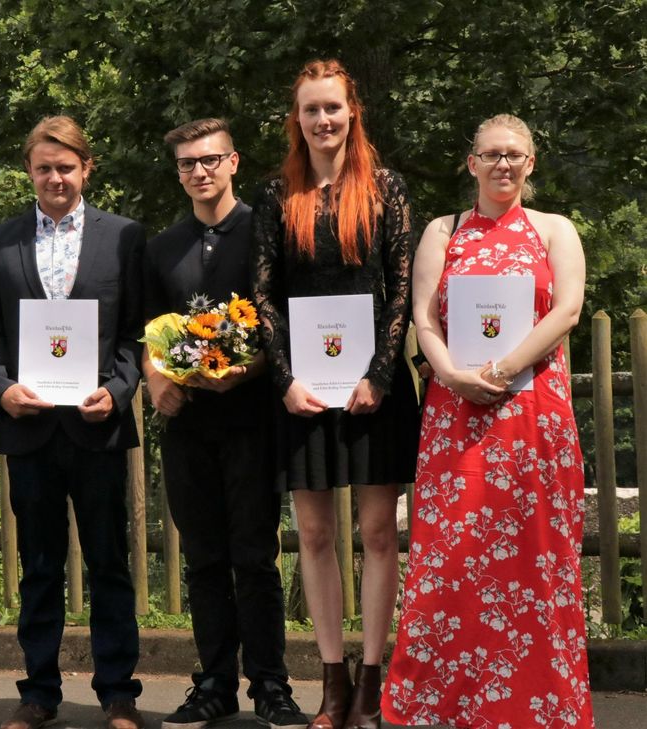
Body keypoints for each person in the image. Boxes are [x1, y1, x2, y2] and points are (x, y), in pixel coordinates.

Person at [383, 114, 594, 728]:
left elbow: (568, 309)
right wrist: (447, 373)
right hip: (456, 415)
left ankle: (539, 706)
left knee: (537, 559)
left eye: (515, 155)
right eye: (491, 154)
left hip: (532, 416)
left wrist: (499, 370)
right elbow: (424, 318)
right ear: (470, 162)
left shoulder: (555, 229)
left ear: (531, 164)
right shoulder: (441, 232)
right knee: (449, 562)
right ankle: (444, 706)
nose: (503, 164)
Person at [249, 59, 418, 729]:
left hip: (373, 389)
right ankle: (332, 683)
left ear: (353, 114)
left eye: (333, 109)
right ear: (298, 119)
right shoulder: (274, 194)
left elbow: (403, 290)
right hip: (302, 392)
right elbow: (263, 294)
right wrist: (285, 378)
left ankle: (373, 682)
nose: (323, 120)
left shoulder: (386, 188)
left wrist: (379, 376)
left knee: (378, 533)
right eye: (311, 109)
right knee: (315, 534)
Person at [0, 115, 146, 729]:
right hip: (30, 424)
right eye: (44, 168)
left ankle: (119, 693)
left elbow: (135, 334)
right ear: (30, 171)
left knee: (109, 561)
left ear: (86, 169)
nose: (55, 178)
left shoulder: (125, 238)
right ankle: (39, 693)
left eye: (66, 167)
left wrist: (119, 390)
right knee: (39, 564)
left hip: (96, 425)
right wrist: (1, 387)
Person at [142, 118, 306, 729]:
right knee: (203, 558)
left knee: (255, 556)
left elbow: (284, 323)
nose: (199, 172)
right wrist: (158, 382)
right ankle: (212, 683)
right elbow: (149, 329)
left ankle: (270, 684)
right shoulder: (161, 247)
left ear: (233, 162)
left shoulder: (268, 235)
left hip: (252, 419)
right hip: (187, 424)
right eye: (187, 164)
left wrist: (251, 367)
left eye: (210, 160)